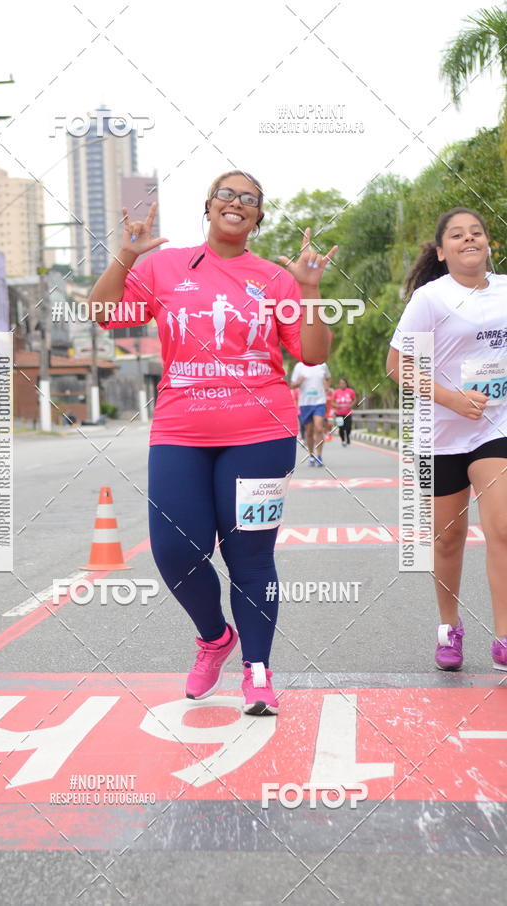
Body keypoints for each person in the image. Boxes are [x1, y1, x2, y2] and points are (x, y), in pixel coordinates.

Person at [91, 170, 336, 714]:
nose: (238, 202)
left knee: (251, 557)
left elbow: (313, 354)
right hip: (181, 431)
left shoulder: (278, 279)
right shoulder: (163, 265)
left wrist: (312, 289)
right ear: (208, 207)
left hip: (262, 434)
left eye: (250, 198)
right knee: (175, 550)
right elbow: (104, 313)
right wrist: (125, 256)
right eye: (228, 194)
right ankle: (213, 637)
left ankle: (257, 669)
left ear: (257, 218)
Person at [387, 207, 507, 672]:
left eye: (476, 232)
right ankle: (449, 627)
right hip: (440, 433)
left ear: (488, 243)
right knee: (448, 540)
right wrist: (450, 399)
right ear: (442, 251)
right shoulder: (430, 299)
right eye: (457, 235)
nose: (468, 239)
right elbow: (398, 365)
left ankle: (503, 636)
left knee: (501, 528)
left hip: (496, 428)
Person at [290, 360, 331, 465]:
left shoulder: (322, 365)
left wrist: (326, 387)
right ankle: (311, 456)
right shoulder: (299, 366)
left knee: (319, 428)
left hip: (320, 402)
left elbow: (328, 378)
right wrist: (299, 382)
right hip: (305, 403)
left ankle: (319, 456)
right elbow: (292, 384)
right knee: (309, 432)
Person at [332, 377, 357, 445]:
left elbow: (354, 400)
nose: (342, 384)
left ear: (346, 384)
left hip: (348, 413)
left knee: (348, 427)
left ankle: (348, 436)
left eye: (343, 383)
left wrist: (352, 405)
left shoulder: (350, 391)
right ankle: (343, 440)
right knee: (341, 427)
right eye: (341, 383)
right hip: (339, 413)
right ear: (339, 384)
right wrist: (337, 406)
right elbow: (332, 402)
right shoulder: (336, 392)